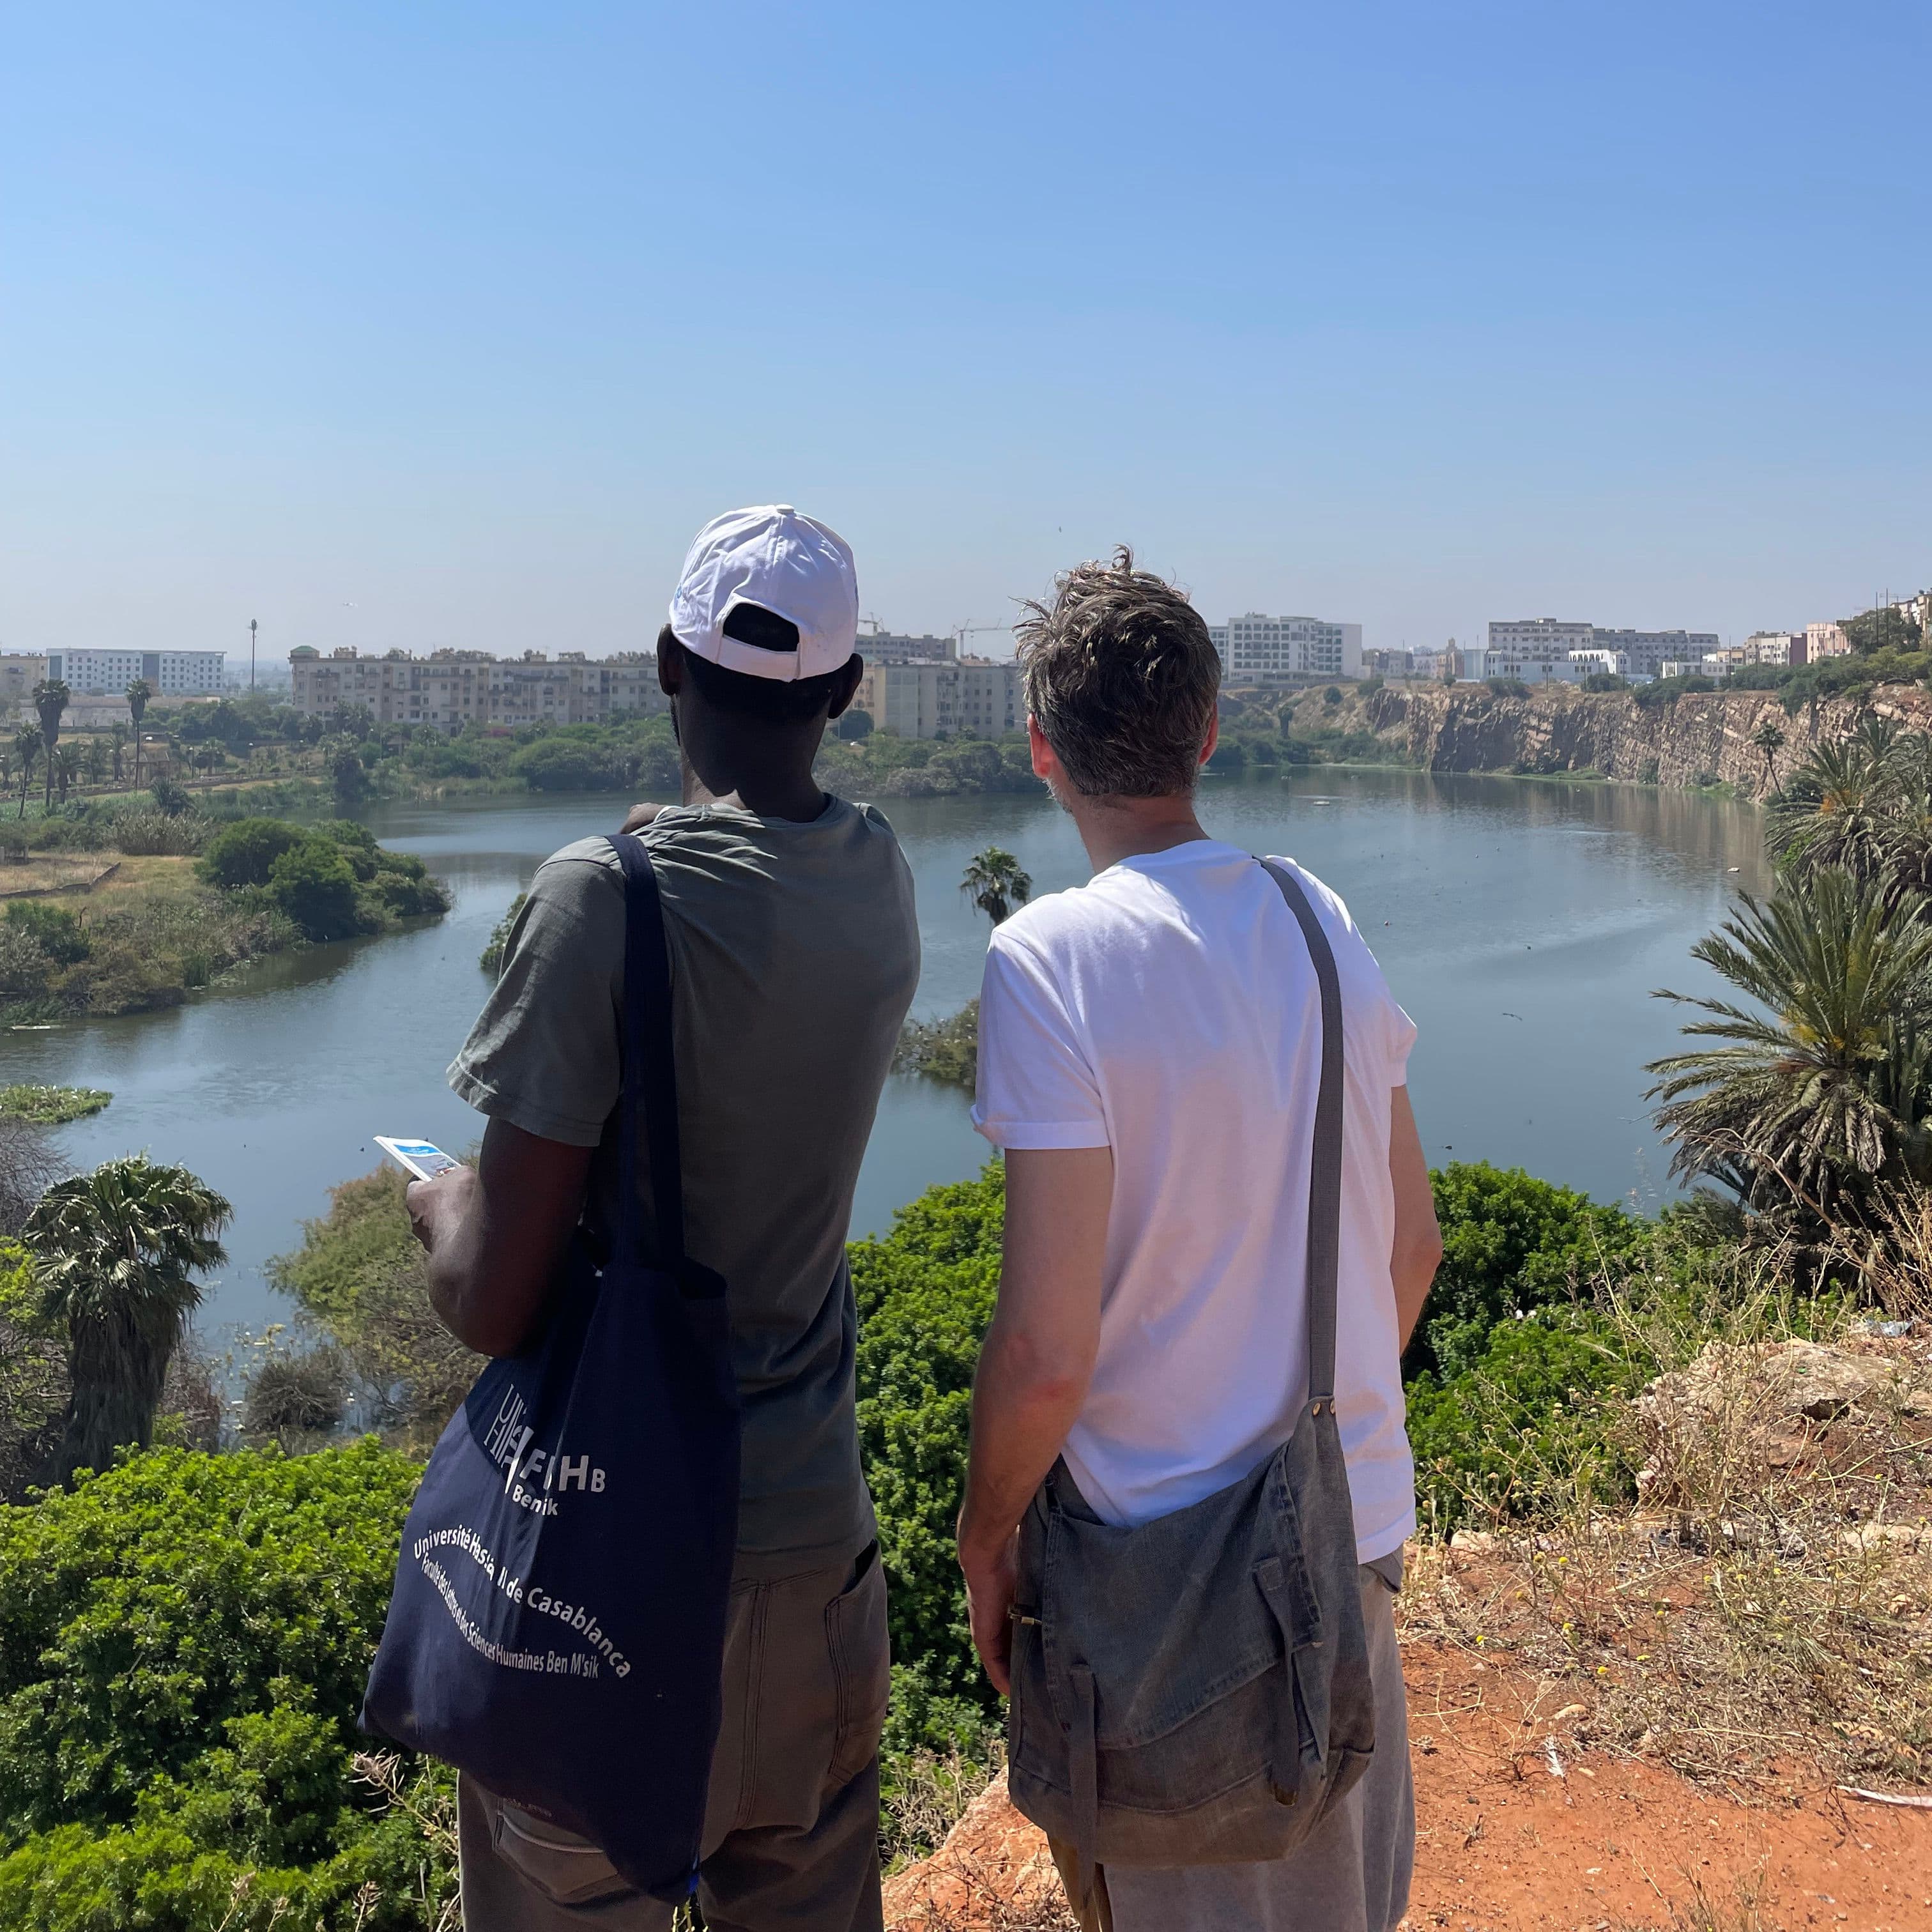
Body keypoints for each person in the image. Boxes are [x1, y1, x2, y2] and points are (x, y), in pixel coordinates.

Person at [406, 505, 919, 1932]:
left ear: (662, 666)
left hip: (608, 1577)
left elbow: (491, 1300)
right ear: (846, 690)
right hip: (817, 1564)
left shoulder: (598, 898)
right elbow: (749, 866)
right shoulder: (878, 877)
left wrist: (442, 1201)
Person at [956, 549, 1442, 1932]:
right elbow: (1411, 1244)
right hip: (1346, 1534)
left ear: (1041, 747)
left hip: (1159, 1595)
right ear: (1211, 732)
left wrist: (987, 1534)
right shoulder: (1316, 913)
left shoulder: (1047, 960)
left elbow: (1050, 1352)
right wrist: (1316, 1420)